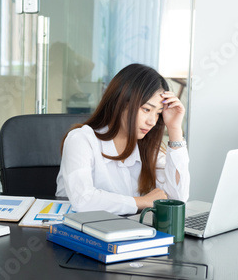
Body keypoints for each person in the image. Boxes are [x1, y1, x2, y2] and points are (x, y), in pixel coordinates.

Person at [56, 63, 189, 215]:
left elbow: (177, 198)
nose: (152, 121)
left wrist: (174, 129)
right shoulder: (81, 140)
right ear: (120, 102)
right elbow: (82, 200)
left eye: (158, 113)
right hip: (76, 233)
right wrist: (142, 201)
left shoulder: (147, 148)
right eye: (146, 109)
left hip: (125, 231)